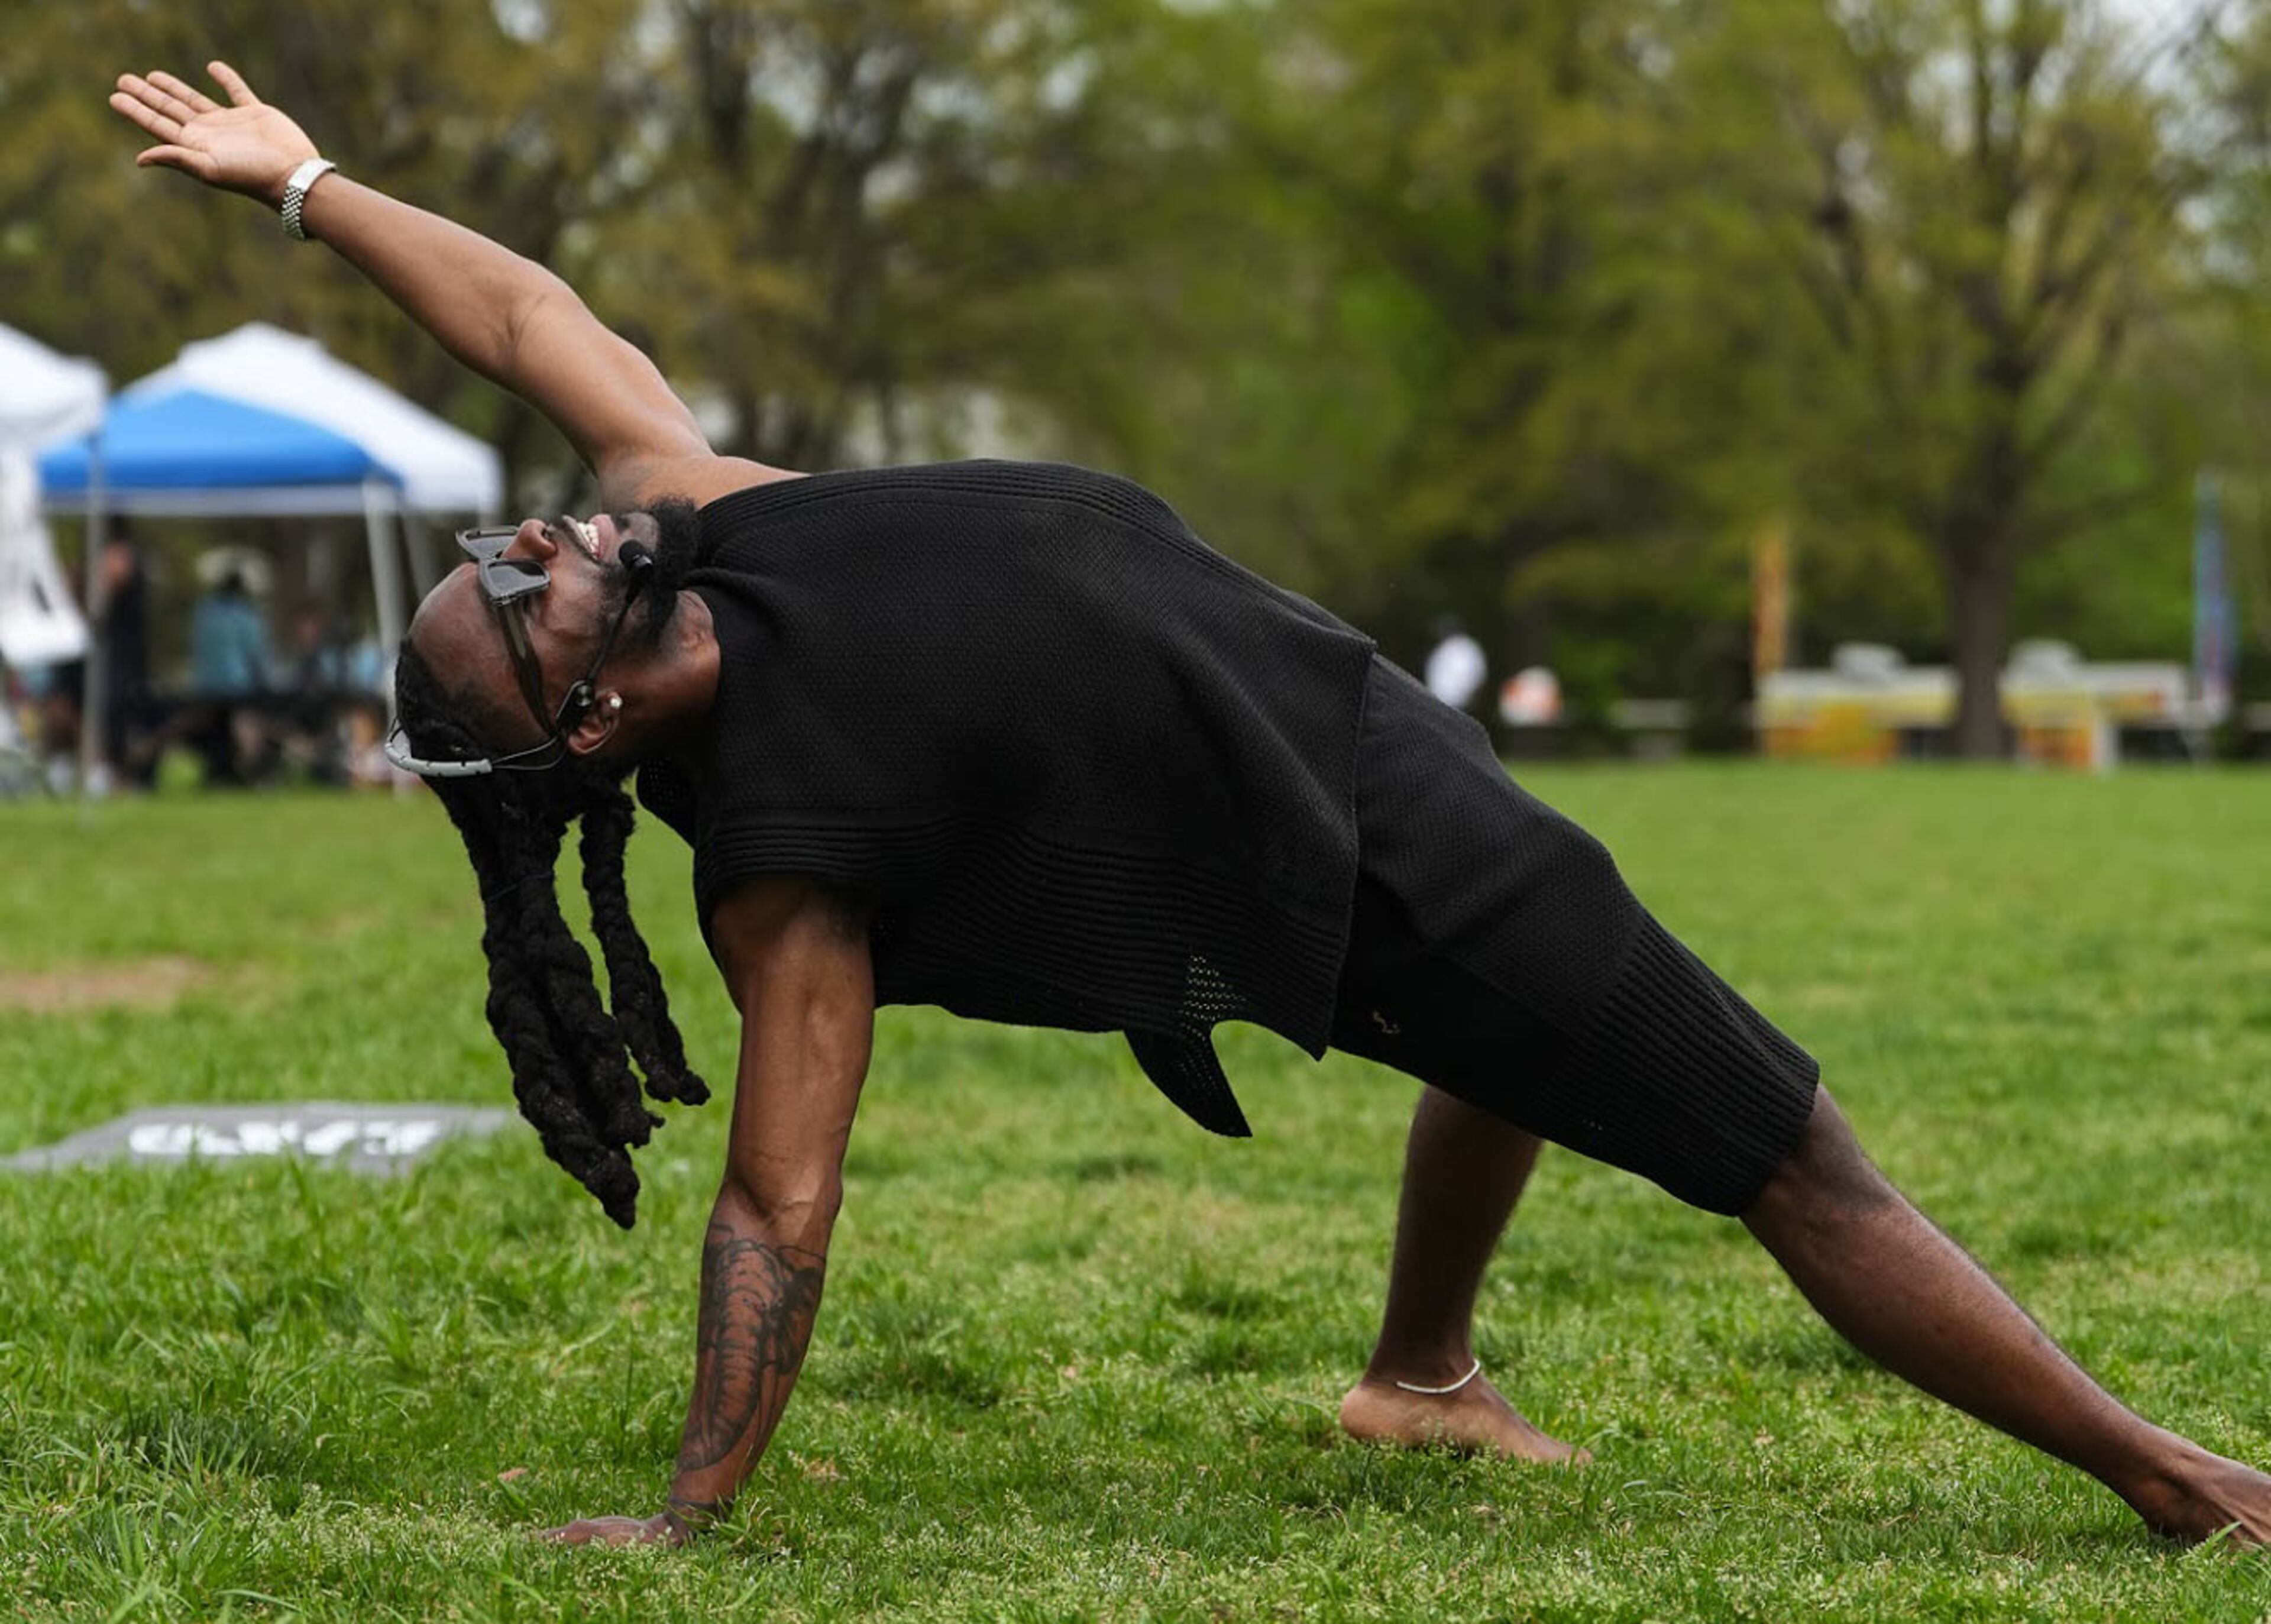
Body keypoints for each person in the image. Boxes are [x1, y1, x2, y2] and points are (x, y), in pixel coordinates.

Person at [109, 62, 2271, 1552]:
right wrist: (686, 1501)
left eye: (503, 546)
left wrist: (303, 187)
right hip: (1332, 843)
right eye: (509, 596)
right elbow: (778, 1203)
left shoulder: (701, 509)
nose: (532, 545)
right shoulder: (784, 863)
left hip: (1330, 702)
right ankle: (2175, 1479)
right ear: (579, 730)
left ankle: (1418, 1372)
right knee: (1782, 1144)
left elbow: (522, 310)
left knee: (1526, 1026)